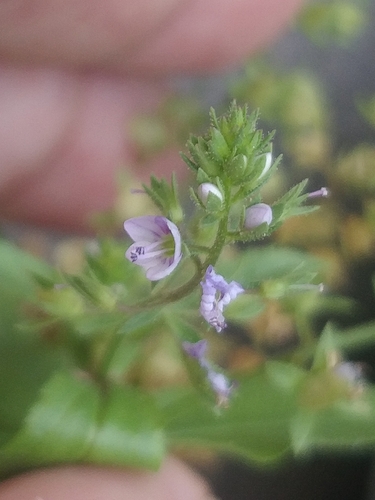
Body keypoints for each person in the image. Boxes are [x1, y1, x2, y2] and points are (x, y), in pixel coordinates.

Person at [0, 0, 302, 497]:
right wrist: (168, 243)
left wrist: (172, 249)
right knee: (111, 308)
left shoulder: (190, 262)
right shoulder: (168, 240)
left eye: (168, 239)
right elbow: (158, 244)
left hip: (169, 265)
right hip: (160, 262)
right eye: (165, 237)